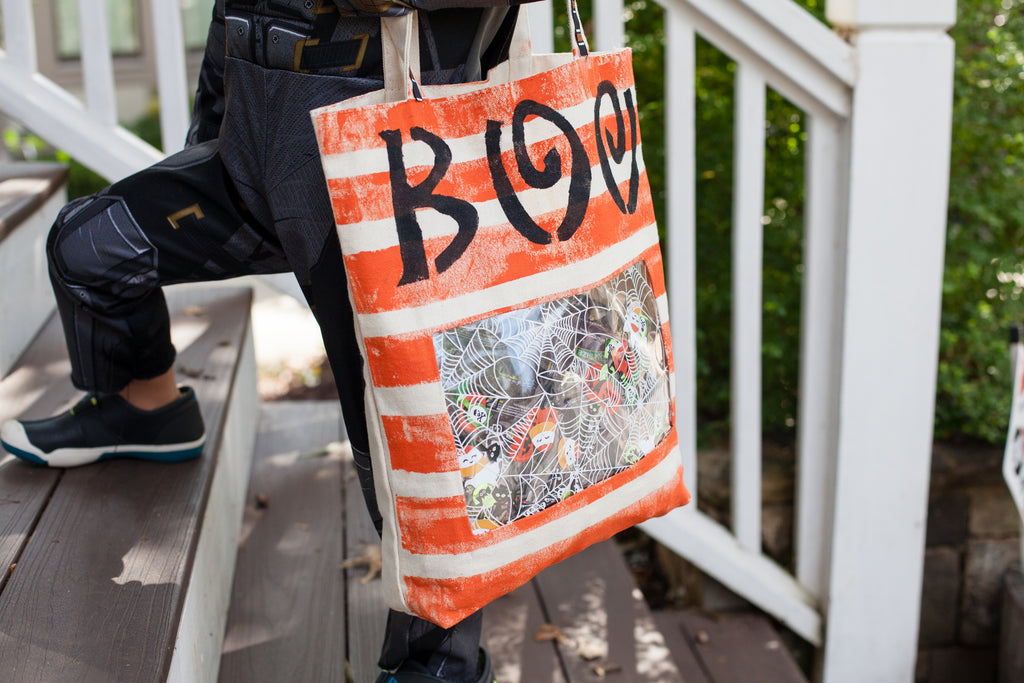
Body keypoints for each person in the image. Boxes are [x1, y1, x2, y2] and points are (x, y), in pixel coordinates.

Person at [0, 1, 541, 681]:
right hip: (254, 151)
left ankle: (444, 665)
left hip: (386, 149)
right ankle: (148, 407)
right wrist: (212, 121)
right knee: (87, 244)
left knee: (407, 437)